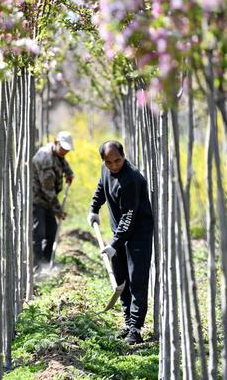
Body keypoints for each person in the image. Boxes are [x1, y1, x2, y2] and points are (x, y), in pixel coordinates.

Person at [87, 140, 154, 345]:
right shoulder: (106, 170)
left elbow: (129, 217)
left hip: (138, 234)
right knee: (121, 280)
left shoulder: (132, 179)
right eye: (109, 162)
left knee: (137, 280)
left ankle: (136, 328)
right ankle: (127, 323)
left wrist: (114, 244)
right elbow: (101, 187)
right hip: (120, 233)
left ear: (123, 156)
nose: (114, 165)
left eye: (117, 160)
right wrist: (94, 209)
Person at [32, 131, 75, 269]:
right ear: (56, 143)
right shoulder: (45, 158)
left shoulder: (57, 152)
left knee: (52, 233)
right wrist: (58, 210)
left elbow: (62, 161)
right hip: (37, 200)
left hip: (49, 201)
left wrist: (69, 173)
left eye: (67, 150)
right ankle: (37, 267)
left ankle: (47, 264)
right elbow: (48, 190)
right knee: (38, 235)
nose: (65, 152)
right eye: (63, 149)